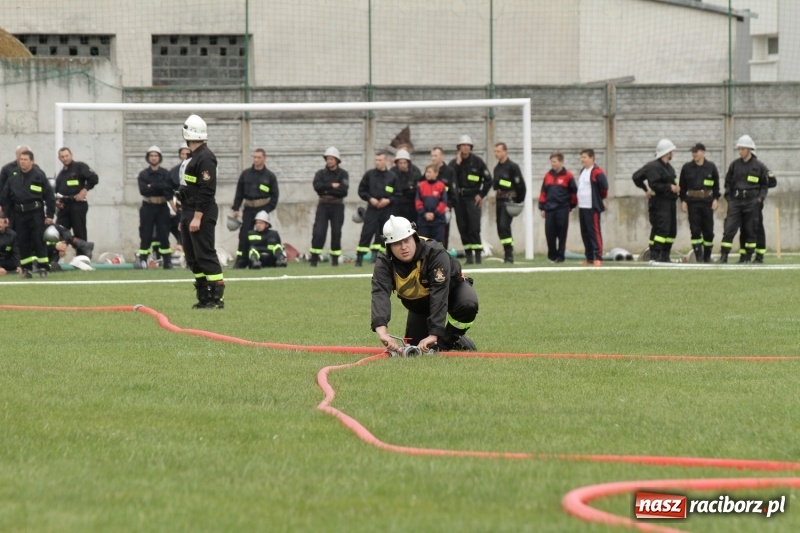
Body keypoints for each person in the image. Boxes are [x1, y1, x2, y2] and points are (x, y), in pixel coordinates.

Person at [371, 215, 478, 352]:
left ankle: (451, 338)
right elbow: (380, 294)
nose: (404, 247)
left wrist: (435, 334)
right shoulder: (384, 263)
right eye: (397, 243)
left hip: (450, 293)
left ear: (414, 237)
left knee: (467, 304)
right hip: (419, 305)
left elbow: (439, 293)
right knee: (415, 348)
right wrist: (382, 331)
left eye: (406, 240)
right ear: (389, 246)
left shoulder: (435, 253)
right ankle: (438, 340)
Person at [177, 114, 225, 309]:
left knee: (205, 253)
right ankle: (204, 297)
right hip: (189, 211)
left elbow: (206, 191)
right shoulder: (193, 157)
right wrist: (184, 216)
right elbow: (189, 188)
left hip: (201, 212)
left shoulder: (206, 157)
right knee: (192, 256)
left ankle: (216, 298)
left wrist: (197, 217)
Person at [0, 150, 55, 278]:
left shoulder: (38, 175)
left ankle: (43, 268)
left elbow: (49, 196)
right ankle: (27, 269)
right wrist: (6, 215)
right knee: (22, 241)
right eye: (21, 159)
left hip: (36, 213)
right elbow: (5, 197)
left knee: (38, 240)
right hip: (19, 214)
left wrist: (50, 215)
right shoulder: (13, 176)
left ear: (32, 161)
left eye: (25, 159)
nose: (22, 162)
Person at [718, 134, 771, 264]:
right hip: (736, 201)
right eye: (739, 149)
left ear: (749, 149)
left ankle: (748, 257)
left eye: (742, 149)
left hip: (752, 202)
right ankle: (724, 256)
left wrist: (760, 199)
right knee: (729, 228)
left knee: (750, 229)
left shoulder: (759, 166)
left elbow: (765, 185)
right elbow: (728, 182)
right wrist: (729, 198)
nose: (740, 151)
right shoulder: (734, 165)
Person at [231, 148, 280, 268]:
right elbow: (239, 192)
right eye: (254, 157)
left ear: (264, 158)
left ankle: (263, 260)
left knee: (263, 235)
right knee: (244, 235)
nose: (256, 160)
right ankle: (241, 262)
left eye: (259, 157)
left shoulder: (270, 176)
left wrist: (267, 210)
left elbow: (275, 195)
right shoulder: (246, 174)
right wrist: (236, 208)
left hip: (262, 209)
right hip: (248, 208)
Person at [633, 139, 679, 263]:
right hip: (659, 202)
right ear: (667, 152)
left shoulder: (668, 168)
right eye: (671, 151)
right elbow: (639, 178)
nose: (673, 154)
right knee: (661, 229)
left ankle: (665, 255)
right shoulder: (653, 167)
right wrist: (646, 189)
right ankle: (655, 255)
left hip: (670, 202)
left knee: (671, 230)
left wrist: (676, 188)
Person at [449, 135, 492, 264]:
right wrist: (457, 164)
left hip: (473, 199)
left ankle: (478, 257)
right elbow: (449, 178)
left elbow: (489, 180)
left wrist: (481, 194)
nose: (465, 148)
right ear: (459, 148)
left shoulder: (477, 162)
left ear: (471, 147)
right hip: (459, 200)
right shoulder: (454, 163)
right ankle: (469, 258)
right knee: (463, 228)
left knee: (474, 228)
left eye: (468, 145)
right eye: (463, 146)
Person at [678, 143, 720, 263]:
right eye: (693, 152)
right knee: (695, 230)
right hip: (693, 203)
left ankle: (707, 257)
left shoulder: (711, 167)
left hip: (707, 202)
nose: (694, 154)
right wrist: (683, 201)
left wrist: (716, 199)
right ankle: (699, 257)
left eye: (696, 151)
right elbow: (682, 186)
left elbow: (716, 186)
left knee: (708, 232)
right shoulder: (687, 168)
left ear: (703, 152)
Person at [355, 151, 398, 267]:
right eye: (376, 160)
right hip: (372, 209)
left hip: (387, 209)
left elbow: (398, 193)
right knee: (367, 232)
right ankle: (359, 258)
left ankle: (385, 258)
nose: (377, 162)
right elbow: (361, 191)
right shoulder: (369, 175)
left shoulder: (392, 177)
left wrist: (388, 200)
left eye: (380, 160)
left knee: (385, 234)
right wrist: (370, 199)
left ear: (385, 161)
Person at [309, 146, 349, 267]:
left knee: (336, 232)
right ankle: (314, 259)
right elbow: (317, 187)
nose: (329, 161)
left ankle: (335, 259)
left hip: (337, 206)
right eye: (328, 158)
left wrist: (325, 189)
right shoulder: (320, 173)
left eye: (332, 158)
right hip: (323, 205)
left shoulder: (343, 174)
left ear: (337, 160)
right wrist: (331, 186)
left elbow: (343, 191)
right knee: (319, 232)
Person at [136, 146, 175, 270]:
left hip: (162, 206)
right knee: (145, 233)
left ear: (160, 157)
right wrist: (159, 186)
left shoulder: (166, 173)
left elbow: (168, 188)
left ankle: (167, 262)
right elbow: (143, 190)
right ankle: (143, 260)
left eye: (156, 155)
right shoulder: (143, 174)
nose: (154, 158)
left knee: (164, 234)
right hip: (148, 206)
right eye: (151, 155)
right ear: (148, 158)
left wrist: (151, 185)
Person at [538, 151, 577, 263]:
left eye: (554, 161)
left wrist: (571, 206)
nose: (552, 164)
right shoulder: (548, 175)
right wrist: (542, 207)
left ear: (561, 162)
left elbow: (574, 192)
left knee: (561, 234)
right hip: (549, 209)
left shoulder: (568, 176)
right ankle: (552, 256)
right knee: (550, 234)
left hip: (562, 209)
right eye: (551, 161)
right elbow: (543, 192)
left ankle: (560, 257)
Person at [54, 147, 99, 242]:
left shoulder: (79, 166)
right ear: (59, 158)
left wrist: (85, 189)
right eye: (62, 157)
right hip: (64, 206)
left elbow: (94, 178)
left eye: (67, 156)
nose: (65, 158)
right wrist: (57, 201)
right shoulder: (60, 173)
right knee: (58, 232)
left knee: (80, 234)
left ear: (71, 155)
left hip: (77, 205)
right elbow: (56, 190)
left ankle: (82, 255)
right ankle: (59, 254)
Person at [492, 142, 527, 264]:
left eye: (499, 151)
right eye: (495, 151)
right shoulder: (497, 168)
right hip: (499, 201)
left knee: (504, 225)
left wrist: (518, 200)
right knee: (499, 228)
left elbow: (520, 185)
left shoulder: (513, 167)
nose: (496, 153)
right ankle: (506, 252)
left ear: (505, 152)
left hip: (509, 201)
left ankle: (509, 254)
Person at [576, 148, 609, 266]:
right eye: (581, 157)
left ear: (592, 158)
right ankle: (589, 257)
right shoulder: (582, 171)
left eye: (584, 157)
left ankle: (597, 257)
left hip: (592, 207)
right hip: (582, 207)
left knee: (594, 232)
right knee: (585, 232)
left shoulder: (597, 172)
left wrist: (601, 200)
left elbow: (604, 188)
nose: (582, 160)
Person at [166, 142, 192, 252]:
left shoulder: (197, 169)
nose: (185, 156)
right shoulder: (173, 172)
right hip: (179, 208)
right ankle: (181, 249)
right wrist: (174, 207)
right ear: (180, 155)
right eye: (183, 153)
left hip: (194, 207)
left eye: (187, 153)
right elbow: (168, 191)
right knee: (179, 230)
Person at [415, 163, 448, 243]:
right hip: (424, 220)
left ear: (436, 173)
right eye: (426, 172)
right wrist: (425, 214)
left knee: (438, 242)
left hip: (438, 220)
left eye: (430, 172)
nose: (427, 174)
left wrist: (434, 214)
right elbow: (418, 202)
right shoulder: (421, 186)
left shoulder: (441, 186)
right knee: (423, 242)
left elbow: (443, 202)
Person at [431, 146, 456, 249]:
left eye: (435, 156)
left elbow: (453, 192)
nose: (433, 158)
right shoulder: (429, 171)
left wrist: (448, 206)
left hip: (443, 210)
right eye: (432, 156)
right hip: (430, 210)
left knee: (443, 235)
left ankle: (443, 260)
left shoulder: (449, 172)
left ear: (442, 156)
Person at [0, 145, 32, 222]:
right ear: (16, 155)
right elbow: (1, 188)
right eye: (20, 154)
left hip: (30, 209)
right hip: (11, 207)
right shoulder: (7, 169)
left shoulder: (36, 171)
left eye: (25, 156)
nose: (22, 158)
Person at [392, 149, 421, 223]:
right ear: (397, 163)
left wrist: (405, 189)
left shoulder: (415, 173)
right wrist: (408, 188)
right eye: (400, 163)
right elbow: (389, 188)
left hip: (411, 206)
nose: (402, 165)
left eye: (404, 163)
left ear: (408, 163)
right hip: (396, 205)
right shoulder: (392, 173)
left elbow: (417, 190)